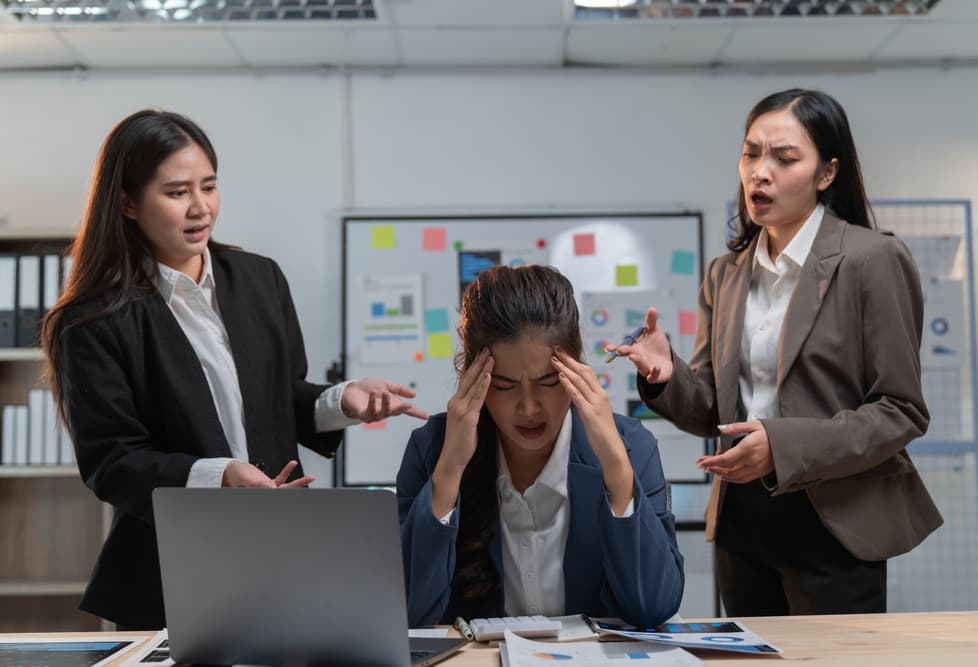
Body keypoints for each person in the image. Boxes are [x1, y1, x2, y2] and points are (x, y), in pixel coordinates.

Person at [40, 109, 429, 630]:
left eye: (209, 186)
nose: (201, 207)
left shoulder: (258, 278)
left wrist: (341, 400)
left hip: (282, 552)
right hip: (168, 571)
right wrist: (219, 477)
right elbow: (114, 463)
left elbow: (275, 398)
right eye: (177, 192)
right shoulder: (92, 319)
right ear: (128, 204)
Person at [609, 88, 942, 616]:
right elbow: (712, 412)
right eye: (751, 153)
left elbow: (900, 411)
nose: (759, 172)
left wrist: (780, 445)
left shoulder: (872, 260)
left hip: (834, 522)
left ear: (826, 174)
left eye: (784, 158)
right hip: (743, 522)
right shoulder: (726, 274)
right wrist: (665, 376)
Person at [396, 264, 684, 629]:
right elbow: (408, 613)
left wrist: (615, 468)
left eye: (549, 382)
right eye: (504, 385)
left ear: (577, 369)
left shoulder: (630, 447)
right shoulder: (433, 448)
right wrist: (449, 472)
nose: (529, 408)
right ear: (472, 378)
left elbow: (654, 606)